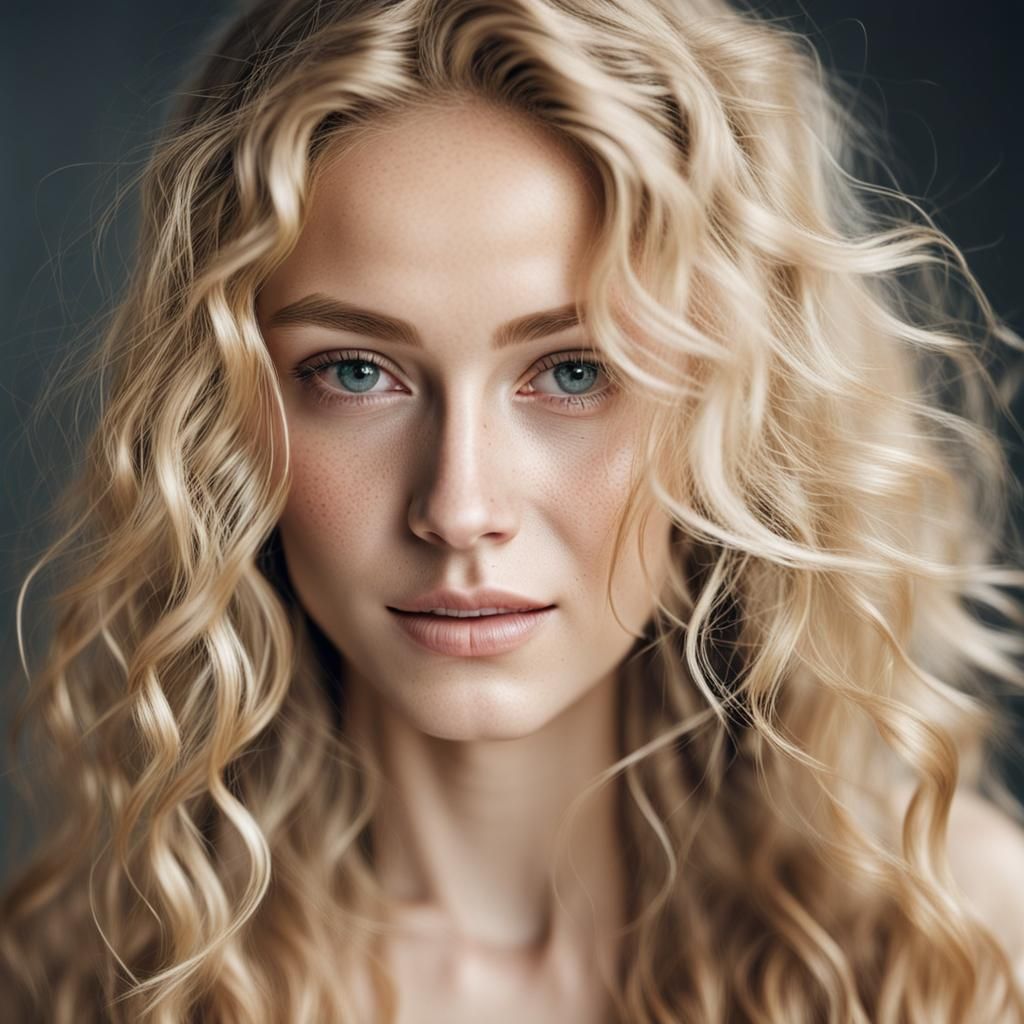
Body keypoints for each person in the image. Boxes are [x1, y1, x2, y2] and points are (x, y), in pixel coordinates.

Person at [2, 0, 1023, 1020]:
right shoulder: (75, 981)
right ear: (221, 417)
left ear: (737, 409)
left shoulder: (960, 942)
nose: (459, 507)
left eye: (575, 371)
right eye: (355, 372)